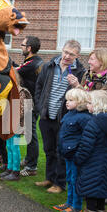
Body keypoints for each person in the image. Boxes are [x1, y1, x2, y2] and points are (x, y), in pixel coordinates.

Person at [34, 39, 86, 193]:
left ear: (77, 56)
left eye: (71, 54)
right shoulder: (50, 66)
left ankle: (59, 183)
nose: (67, 56)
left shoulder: (79, 72)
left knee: (61, 151)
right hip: (45, 115)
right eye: (65, 52)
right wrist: (39, 105)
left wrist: (77, 84)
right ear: (62, 50)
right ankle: (49, 178)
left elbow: (82, 96)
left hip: (63, 117)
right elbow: (39, 86)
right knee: (49, 149)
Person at [74, 90, 107, 212]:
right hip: (106, 161)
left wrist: (78, 159)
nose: (87, 105)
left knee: (91, 191)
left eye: (90, 103)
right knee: (101, 192)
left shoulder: (93, 123)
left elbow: (86, 145)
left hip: (92, 163)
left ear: (97, 105)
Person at [53, 88, 91, 212]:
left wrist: (79, 152)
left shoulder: (84, 117)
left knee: (75, 179)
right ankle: (69, 202)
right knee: (69, 177)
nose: (67, 102)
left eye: (71, 100)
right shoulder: (68, 114)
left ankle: (77, 205)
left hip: (76, 154)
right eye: (67, 100)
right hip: (67, 153)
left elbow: (87, 137)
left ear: (80, 101)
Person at [17, 36, 43, 177]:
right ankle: (28, 159)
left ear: (29, 48)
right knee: (28, 132)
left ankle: (32, 167)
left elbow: (14, 71)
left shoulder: (32, 63)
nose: (20, 47)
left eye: (22, 45)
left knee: (30, 134)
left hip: (31, 103)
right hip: (31, 102)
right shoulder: (33, 62)